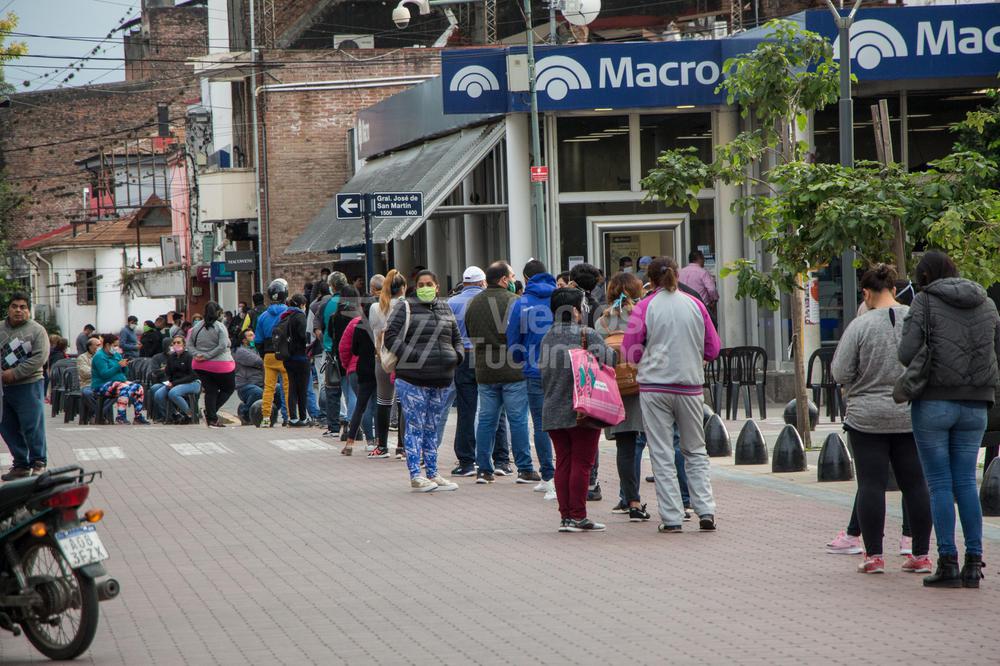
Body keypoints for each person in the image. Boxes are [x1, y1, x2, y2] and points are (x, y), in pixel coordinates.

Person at [899, 250, 1000, 588]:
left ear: (925, 276)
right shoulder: (985, 302)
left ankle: (948, 562)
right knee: (966, 483)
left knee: (940, 484)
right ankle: (974, 562)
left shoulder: (924, 302)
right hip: (976, 404)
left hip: (934, 402)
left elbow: (906, 353)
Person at [831, 264, 933, 575]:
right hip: (910, 414)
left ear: (866, 292)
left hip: (867, 417)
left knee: (871, 485)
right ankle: (920, 554)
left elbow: (840, 371)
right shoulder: (916, 319)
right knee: (915, 484)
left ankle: (874, 555)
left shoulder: (860, 326)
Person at [622, 256, 721, 533]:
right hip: (690, 386)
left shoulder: (644, 307)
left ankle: (672, 517)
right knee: (695, 450)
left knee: (662, 452)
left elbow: (630, 350)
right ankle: (706, 510)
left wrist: (647, 356)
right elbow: (713, 349)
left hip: (655, 387)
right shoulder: (696, 305)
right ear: (677, 275)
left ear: (650, 280)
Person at [538, 287, 616, 532]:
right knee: (582, 463)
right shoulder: (587, 334)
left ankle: (566, 517)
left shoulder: (547, 337)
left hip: (552, 408)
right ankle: (578, 516)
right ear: (574, 310)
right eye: (581, 306)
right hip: (583, 409)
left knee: (563, 462)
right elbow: (610, 359)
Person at [383, 269, 462, 492]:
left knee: (432, 427)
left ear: (437, 287)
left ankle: (433, 473)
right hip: (412, 379)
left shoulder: (445, 307)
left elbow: (455, 336)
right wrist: (414, 356)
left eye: (429, 284)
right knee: (415, 427)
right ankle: (416, 475)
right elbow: (390, 337)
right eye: (421, 284)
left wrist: (457, 356)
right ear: (415, 288)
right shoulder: (405, 307)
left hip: (441, 378)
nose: (425, 288)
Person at [466, 261, 537, 485]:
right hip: (513, 370)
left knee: (487, 420)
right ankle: (524, 468)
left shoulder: (474, 303)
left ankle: (483, 469)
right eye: (512, 276)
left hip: (485, 370)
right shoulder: (516, 302)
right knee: (518, 420)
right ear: (505, 279)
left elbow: (470, 332)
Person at [595, 271, 650, 522]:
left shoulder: (602, 321)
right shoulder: (643, 315)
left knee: (625, 446)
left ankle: (631, 499)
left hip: (615, 388)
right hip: (643, 385)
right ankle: (681, 500)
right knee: (662, 443)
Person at [506, 259, 558, 499]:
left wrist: (521, 358)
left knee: (540, 423)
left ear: (526, 279)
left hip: (535, 368)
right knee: (565, 420)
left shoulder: (522, 303)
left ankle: (548, 476)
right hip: (562, 368)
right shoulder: (560, 299)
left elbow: (513, 337)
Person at [0, 293, 50, 480]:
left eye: (23, 307)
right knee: (6, 426)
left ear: (29, 310)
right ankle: (21, 464)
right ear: (9, 308)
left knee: (32, 425)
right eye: (15, 306)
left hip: (28, 384)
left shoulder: (37, 331)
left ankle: (38, 462)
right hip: (3, 387)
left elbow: (40, 358)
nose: (18, 310)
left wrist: (15, 373)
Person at [370, 270, 407, 457]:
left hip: (382, 358)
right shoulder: (407, 307)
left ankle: (382, 446)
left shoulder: (376, 308)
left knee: (383, 402)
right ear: (403, 288)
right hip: (403, 358)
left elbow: (373, 333)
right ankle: (402, 447)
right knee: (402, 403)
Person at [340, 297, 378, 455]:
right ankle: (380, 443)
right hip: (380, 369)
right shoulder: (383, 326)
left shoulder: (358, 325)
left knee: (361, 406)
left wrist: (347, 365)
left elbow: (352, 349)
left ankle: (350, 443)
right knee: (379, 405)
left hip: (362, 369)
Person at [190, 302, 237, 429]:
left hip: (200, 365)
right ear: (218, 313)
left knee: (211, 390)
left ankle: (212, 418)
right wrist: (208, 355)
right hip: (221, 365)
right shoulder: (220, 327)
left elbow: (189, 344)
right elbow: (222, 346)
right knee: (228, 388)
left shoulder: (196, 327)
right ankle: (211, 413)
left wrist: (197, 355)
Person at [256, 280, 292, 428]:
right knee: (287, 387)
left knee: (268, 387)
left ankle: (265, 417)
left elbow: (258, 340)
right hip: (285, 354)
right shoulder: (288, 313)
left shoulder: (263, 316)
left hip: (269, 355)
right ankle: (289, 416)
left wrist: (263, 355)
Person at [91, 333, 148, 426]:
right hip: (101, 385)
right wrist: (118, 365)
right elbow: (104, 374)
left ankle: (138, 417)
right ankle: (121, 417)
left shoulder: (117, 355)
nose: (117, 348)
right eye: (115, 345)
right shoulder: (99, 356)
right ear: (107, 345)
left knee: (139, 388)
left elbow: (124, 373)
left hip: (118, 382)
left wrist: (125, 366)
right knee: (124, 388)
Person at [150, 335, 201, 423]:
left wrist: (174, 383)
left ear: (184, 345)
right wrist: (168, 382)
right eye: (174, 343)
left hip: (192, 383)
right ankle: (175, 414)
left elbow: (192, 375)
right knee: (158, 394)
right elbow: (167, 373)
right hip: (175, 383)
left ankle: (189, 414)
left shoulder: (189, 356)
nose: (176, 344)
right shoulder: (171, 357)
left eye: (178, 342)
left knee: (173, 393)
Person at [280, 294, 312, 427]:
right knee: (302, 389)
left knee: (292, 387)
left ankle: (292, 417)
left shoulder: (284, 316)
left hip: (288, 358)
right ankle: (303, 417)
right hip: (301, 357)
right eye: (304, 304)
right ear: (300, 305)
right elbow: (304, 336)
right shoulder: (300, 316)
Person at [77, 336, 100, 418]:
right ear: (90, 346)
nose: (99, 347)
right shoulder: (82, 358)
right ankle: (98, 415)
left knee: (114, 393)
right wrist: (101, 372)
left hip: (102, 384)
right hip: (88, 384)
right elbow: (85, 373)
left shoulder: (103, 357)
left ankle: (98, 414)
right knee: (87, 393)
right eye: (97, 345)